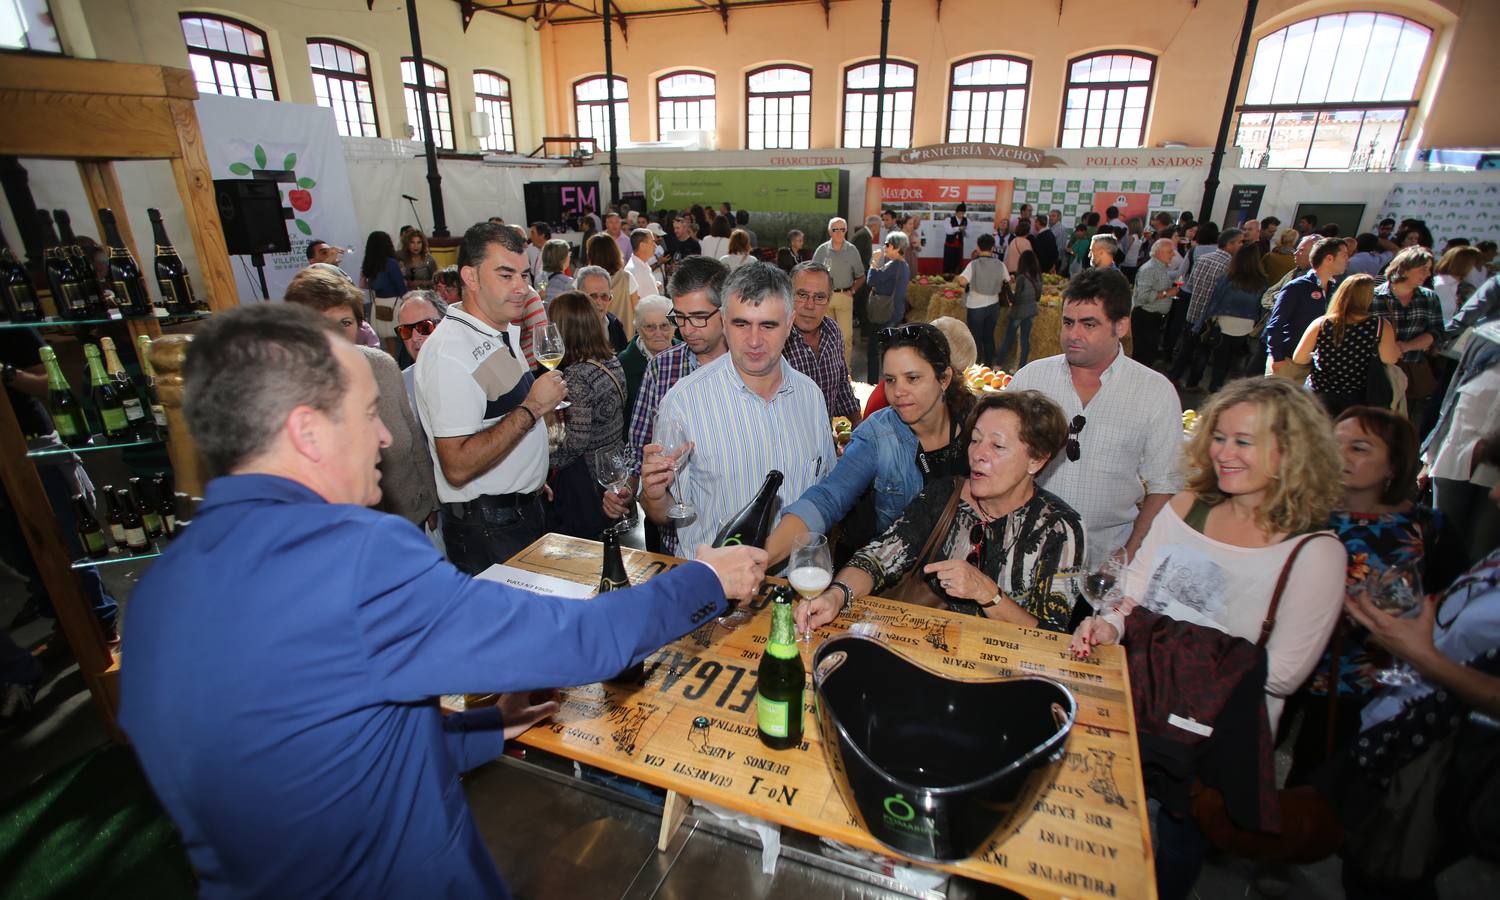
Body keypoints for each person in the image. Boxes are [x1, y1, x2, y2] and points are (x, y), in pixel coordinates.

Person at [118, 303, 767, 898]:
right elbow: (577, 642)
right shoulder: (355, 556)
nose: (386, 439)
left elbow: (322, 761)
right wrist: (705, 578)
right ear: (307, 432)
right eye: (369, 412)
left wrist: (485, 728)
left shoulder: (155, 595)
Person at [1070, 378, 1347, 900]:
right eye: (1219, 436)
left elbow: (1284, 672)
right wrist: (1110, 624)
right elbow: (1131, 593)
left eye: (1244, 441)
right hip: (1136, 710)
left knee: (1178, 846)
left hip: (1210, 742)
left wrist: (1150, 632)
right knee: (1103, 834)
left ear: (1289, 451)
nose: (1224, 452)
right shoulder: (1185, 506)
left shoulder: (1315, 552)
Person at [1328, 430, 1500, 900]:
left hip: (1449, 758)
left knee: (1388, 872)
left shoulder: (1427, 525)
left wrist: (1417, 653)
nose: (1496, 494)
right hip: (1402, 722)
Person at [797, 391, 1086, 632]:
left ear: (1036, 460)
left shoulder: (1060, 529)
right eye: (975, 440)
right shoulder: (944, 494)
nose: (978, 454)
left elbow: (1051, 637)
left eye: (997, 445)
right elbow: (879, 557)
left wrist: (989, 594)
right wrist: (837, 595)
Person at [1286, 407, 1454, 785]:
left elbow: (1449, 602)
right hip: (1283, 663)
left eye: (1359, 448)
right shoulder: (1300, 512)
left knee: (1320, 783)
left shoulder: (1427, 528)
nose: (1340, 455)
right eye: (1334, 443)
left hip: (1362, 682)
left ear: (1394, 466)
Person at [639, 263, 836, 556]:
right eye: (741, 324)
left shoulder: (810, 396)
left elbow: (824, 494)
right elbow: (667, 512)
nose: (754, 340)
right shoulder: (683, 403)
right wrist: (654, 498)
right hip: (714, 590)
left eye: (768, 325)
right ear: (723, 320)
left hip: (795, 587)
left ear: (790, 322)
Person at [414, 222, 568, 574]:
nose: (521, 287)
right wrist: (534, 408)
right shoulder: (450, 352)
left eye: (524, 275)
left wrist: (526, 473)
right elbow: (457, 465)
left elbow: (495, 417)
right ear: (470, 277)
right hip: (488, 530)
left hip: (515, 514)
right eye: (505, 275)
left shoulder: (498, 331)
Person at [1009, 267, 1183, 570]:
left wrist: (1129, 555)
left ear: (1121, 326)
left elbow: (1164, 485)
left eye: (1089, 324)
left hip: (1105, 556)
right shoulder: (1030, 380)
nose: (1074, 334)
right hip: (1024, 551)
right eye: (1068, 322)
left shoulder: (1154, 392)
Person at [768, 322, 976, 565]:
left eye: (912, 378)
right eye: (890, 379)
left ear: (944, 378)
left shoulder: (978, 425)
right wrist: (763, 557)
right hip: (892, 581)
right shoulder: (877, 436)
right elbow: (829, 497)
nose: (898, 391)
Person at [284, 264, 438, 530]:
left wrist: (432, 504)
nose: (336, 335)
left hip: (413, 521)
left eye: (345, 323)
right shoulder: (286, 393)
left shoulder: (382, 366)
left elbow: (414, 442)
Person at [618, 257, 731, 552]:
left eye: (698, 317)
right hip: (672, 532)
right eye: (679, 317)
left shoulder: (748, 366)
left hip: (733, 531)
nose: (687, 329)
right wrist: (628, 489)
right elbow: (639, 445)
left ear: (726, 310)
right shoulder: (661, 366)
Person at [545, 291, 628, 539]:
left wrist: (545, 462)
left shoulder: (577, 375)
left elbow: (576, 442)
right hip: (612, 470)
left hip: (586, 486)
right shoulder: (611, 361)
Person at [1292, 274, 1401, 415]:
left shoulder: (1321, 323)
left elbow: (1298, 358)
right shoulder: (1380, 325)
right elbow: (1389, 359)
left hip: (1319, 394)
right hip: (1357, 396)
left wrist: (1315, 356)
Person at [781, 261, 859, 422]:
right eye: (802, 295)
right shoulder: (776, 339)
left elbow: (842, 385)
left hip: (826, 442)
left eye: (819, 297)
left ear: (829, 300)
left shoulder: (832, 331)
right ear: (788, 295)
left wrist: (859, 424)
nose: (810, 305)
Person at [1168, 227, 1244, 389]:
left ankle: (1173, 377)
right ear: (1229, 244)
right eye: (1239, 242)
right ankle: (1193, 383)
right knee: (1203, 352)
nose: (1241, 246)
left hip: (1193, 311)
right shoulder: (1231, 266)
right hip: (1210, 318)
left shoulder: (1202, 258)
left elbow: (1191, 284)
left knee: (1186, 348)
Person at [1372, 246, 1443, 417]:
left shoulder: (1429, 298)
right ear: (1404, 268)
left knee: (1400, 420)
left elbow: (1437, 332)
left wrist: (1408, 346)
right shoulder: (1374, 296)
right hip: (1375, 371)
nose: (1428, 274)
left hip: (1410, 372)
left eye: (1429, 269)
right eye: (1423, 269)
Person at [1265, 236, 1348, 378]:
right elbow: (1275, 324)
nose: (1348, 259)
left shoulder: (1334, 289)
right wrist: (1277, 358)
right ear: (1329, 258)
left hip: (1312, 364)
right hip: (1288, 361)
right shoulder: (1297, 286)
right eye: (1344, 255)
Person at [1199, 243, 1268, 392]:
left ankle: (1215, 389)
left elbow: (1215, 300)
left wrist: (1204, 320)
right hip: (1247, 326)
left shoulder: (1228, 277)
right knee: (1236, 363)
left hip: (1224, 323)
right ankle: (1232, 392)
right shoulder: (1262, 281)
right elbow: (1262, 305)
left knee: (1220, 362)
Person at [811, 216, 864, 367]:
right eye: (836, 229)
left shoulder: (852, 250)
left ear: (846, 231)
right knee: (825, 337)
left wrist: (853, 290)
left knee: (846, 336)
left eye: (842, 229)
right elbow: (813, 273)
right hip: (825, 298)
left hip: (844, 297)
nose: (839, 233)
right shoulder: (822, 250)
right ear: (830, 231)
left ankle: (845, 371)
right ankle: (828, 369)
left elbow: (861, 276)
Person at [618, 294, 676, 421]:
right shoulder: (623, 365)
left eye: (665, 326)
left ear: (674, 327)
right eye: (650, 327)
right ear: (638, 328)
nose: (658, 333)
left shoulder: (688, 355)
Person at [865, 231, 912, 381]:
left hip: (883, 313)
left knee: (874, 351)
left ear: (897, 248)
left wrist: (873, 262)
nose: (884, 247)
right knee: (889, 352)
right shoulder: (904, 265)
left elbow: (871, 281)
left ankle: (873, 384)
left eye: (887, 244)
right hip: (895, 312)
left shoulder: (893, 265)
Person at [956, 233, 1008, 369]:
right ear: (992, 248)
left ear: (978, 248)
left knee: (975, 338)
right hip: (994, 305)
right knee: (989, 336)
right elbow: (1007, 280)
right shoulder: (1000, 264)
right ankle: (989, 365)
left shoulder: (973, 264)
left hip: (976, 306)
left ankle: (976, 366)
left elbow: (962, 281)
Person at [1131, 238, 1180, 365]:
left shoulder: (1161, 267)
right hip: (1146, 318)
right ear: (1158, 252)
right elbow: (1142, 296)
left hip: (1154, 318)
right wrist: (1166, 293)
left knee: (1148, 354)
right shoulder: (1150, 269)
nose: (1173, 255)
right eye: (1170, 252)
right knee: (1143, 356)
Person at [360, 230, 407, 355]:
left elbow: (363, 285)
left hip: (378, 303)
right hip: (394, 303)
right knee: (404, 336)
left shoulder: (369, 264)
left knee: (389, 339)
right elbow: (401, 287)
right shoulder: (391, 263)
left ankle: (394, 363)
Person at [586, 232, 636, 347]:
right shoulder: (627, 278)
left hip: (592, 342)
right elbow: (636, 310)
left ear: (591, 254)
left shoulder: (582, 280)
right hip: (623, 341)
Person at [998, 250, 1042, 372]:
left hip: (1018, 313)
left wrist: (1006, 287)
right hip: (1031, 311)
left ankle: (998, 363)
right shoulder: (1038, 276)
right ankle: (1021, 367)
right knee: (1025, 340)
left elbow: (1015, 300)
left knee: (1008, 338)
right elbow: (1038, 296)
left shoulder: (1022, 278)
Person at [573, 265, 627, 353]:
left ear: (610, 298)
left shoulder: (615, 325)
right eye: (593, 296)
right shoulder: (568, 327)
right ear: (578, 296)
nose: (599, 302)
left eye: (604, 296)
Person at [1433, 245, 1483, 322]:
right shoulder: (1442, 286)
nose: (1480, 269)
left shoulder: (1459, 285)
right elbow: (1444, 318)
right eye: (1475, 265)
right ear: (1464, 265)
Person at [624, 227, 659, 310]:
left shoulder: (642, 264)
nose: (656, 245)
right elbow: (635, 305)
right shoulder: (633, 270)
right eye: (653, 242)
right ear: (642, 245)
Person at [538, 238, 574, 308]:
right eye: (569, 254)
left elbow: (543, 292)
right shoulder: (569, 283)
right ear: (562, 259)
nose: (570, 256)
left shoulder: (540, 277)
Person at [943, 203, 968, 274]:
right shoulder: (948, 219)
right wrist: (959, 228)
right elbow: (949, 231)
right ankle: (946, 280)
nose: (961, 215)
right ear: (956, 212)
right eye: (960, 213)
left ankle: (956, 281)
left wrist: (964, 232)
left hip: (959, 247)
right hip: (949, 246)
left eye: (963, 213)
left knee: (957, 265)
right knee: (948, 264)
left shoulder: (966, 220)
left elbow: (968, 234)